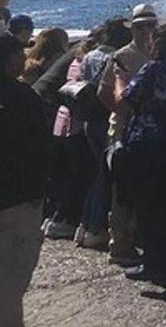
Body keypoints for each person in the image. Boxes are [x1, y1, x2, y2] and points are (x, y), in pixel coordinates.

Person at [115, 20, 166, 288]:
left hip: (149, 148)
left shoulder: (154, 68)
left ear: (157, 43)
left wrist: (120, 80)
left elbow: (124, 102)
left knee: (149, 208)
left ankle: (154, 266)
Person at [97, 2, 157, 266]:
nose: (146, 31)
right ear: (132, 29)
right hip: (123, 131)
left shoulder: (158, 55)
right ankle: (119, 244)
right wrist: (125, 114)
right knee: (122, 190)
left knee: (144, 187)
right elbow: (103, 92)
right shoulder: (122, 56)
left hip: (149, 132)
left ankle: (139, 238)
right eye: (141, 26)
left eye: (151, 26)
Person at [0, 32, 52, 326]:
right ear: (8, 61)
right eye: (20, 54)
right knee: (9, 287)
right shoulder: (22, 98)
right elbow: (39, 149)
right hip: (18, 204)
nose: (25, 58)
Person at [75, 17, 131, 252]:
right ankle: (96, 228)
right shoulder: (114, 58)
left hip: (88, 121)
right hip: (104, 122)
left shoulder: (89, 56)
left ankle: (85, 225)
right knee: (105, 178)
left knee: (98, 174)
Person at [42, 39, 99, 243]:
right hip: (74, 126)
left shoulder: (74, 62)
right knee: (80, 175)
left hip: (61, 123)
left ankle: (55, 217)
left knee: (65, 174)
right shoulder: (88, 64)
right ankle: (68, 221)